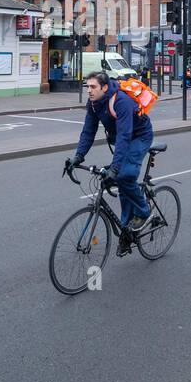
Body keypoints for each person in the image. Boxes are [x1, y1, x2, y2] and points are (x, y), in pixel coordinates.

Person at [69, 71, 154, 255]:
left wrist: (115, 168)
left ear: (104, 88)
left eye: (93, 87)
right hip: (122, 138)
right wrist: (78, 156)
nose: (89, 90)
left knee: (125, 174)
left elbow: (125, 135)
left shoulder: (121, 101)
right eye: (87, 87)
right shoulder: (93, 104)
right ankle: (127, 228)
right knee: (119, 179)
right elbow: (88, 131)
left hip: (139, 136)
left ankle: (144, 212)